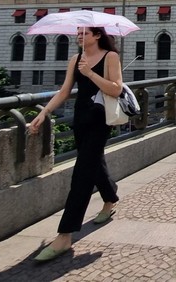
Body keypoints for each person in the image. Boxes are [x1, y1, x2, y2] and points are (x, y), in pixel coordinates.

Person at [28, 27, 122, 262]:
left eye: (85, 33)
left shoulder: (110, 57)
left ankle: (65, 234)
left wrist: (90, 74)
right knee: (93, 162)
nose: (80, 37)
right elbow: (64, 91)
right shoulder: (75, 59)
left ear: (98, 35)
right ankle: (110, 198)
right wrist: (45, 113)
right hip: (81, 119)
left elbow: (116, 88)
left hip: (101, 119)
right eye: (78, 33)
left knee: (81, 173)